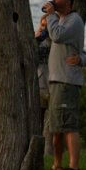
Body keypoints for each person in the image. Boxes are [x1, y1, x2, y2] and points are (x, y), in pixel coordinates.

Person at [42, 0, 86, 170]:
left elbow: (58, 36)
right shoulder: (60, 20)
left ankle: (74, 167)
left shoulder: (74, 21)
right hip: (56, 80)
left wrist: (51, 16)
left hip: (67, 81)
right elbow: (79, 50)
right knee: (56, 127)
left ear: (68, 0)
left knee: (68, 125)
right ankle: (57, 164)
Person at [35, 14, 52, 154]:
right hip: (40, 80)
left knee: (54, 118)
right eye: (42, 25)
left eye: (47, 26)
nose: (44, 29)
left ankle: (51, 150)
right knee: (38, 115)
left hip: (52, 81)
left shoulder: (57, 40)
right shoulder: (36, 40)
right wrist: (36, 38)